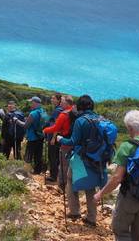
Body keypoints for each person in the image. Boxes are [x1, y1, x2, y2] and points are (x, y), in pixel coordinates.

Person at [94, 110, 139, 241]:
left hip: (129, 198)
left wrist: (101, 193)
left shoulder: (127, 146)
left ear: (130, 128)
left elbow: (117, 178)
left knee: (121, 231)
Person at [59, 94, 103, 227]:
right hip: (96, 157)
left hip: (80, 157)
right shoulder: (99, 119)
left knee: (71, 180)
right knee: (90, 187)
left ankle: (74, 211)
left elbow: (73, 141)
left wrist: (61, 139)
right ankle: (91, 218)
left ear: (80, 106)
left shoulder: (80, 121)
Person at [43, 94, 74, 187]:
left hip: (58, 138)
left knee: (53, 156)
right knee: (57, 157)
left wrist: (51, 136)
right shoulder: (67, 111)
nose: (51, 99)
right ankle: (57, 177)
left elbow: (56, 126)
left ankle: (54, 177)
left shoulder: (59, 111)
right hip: (64, 138)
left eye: (53, 98)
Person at [24, 96, 46, 174]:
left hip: (32, 137)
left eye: (31, 102)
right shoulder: (43, 111)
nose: (30, 104)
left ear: (34, 103)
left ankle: (27, 170)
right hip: (40, 136)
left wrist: (17, 121)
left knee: (29, 154)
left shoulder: (33, 113)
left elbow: (25, 126)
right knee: (38, 155)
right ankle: (37, 171)